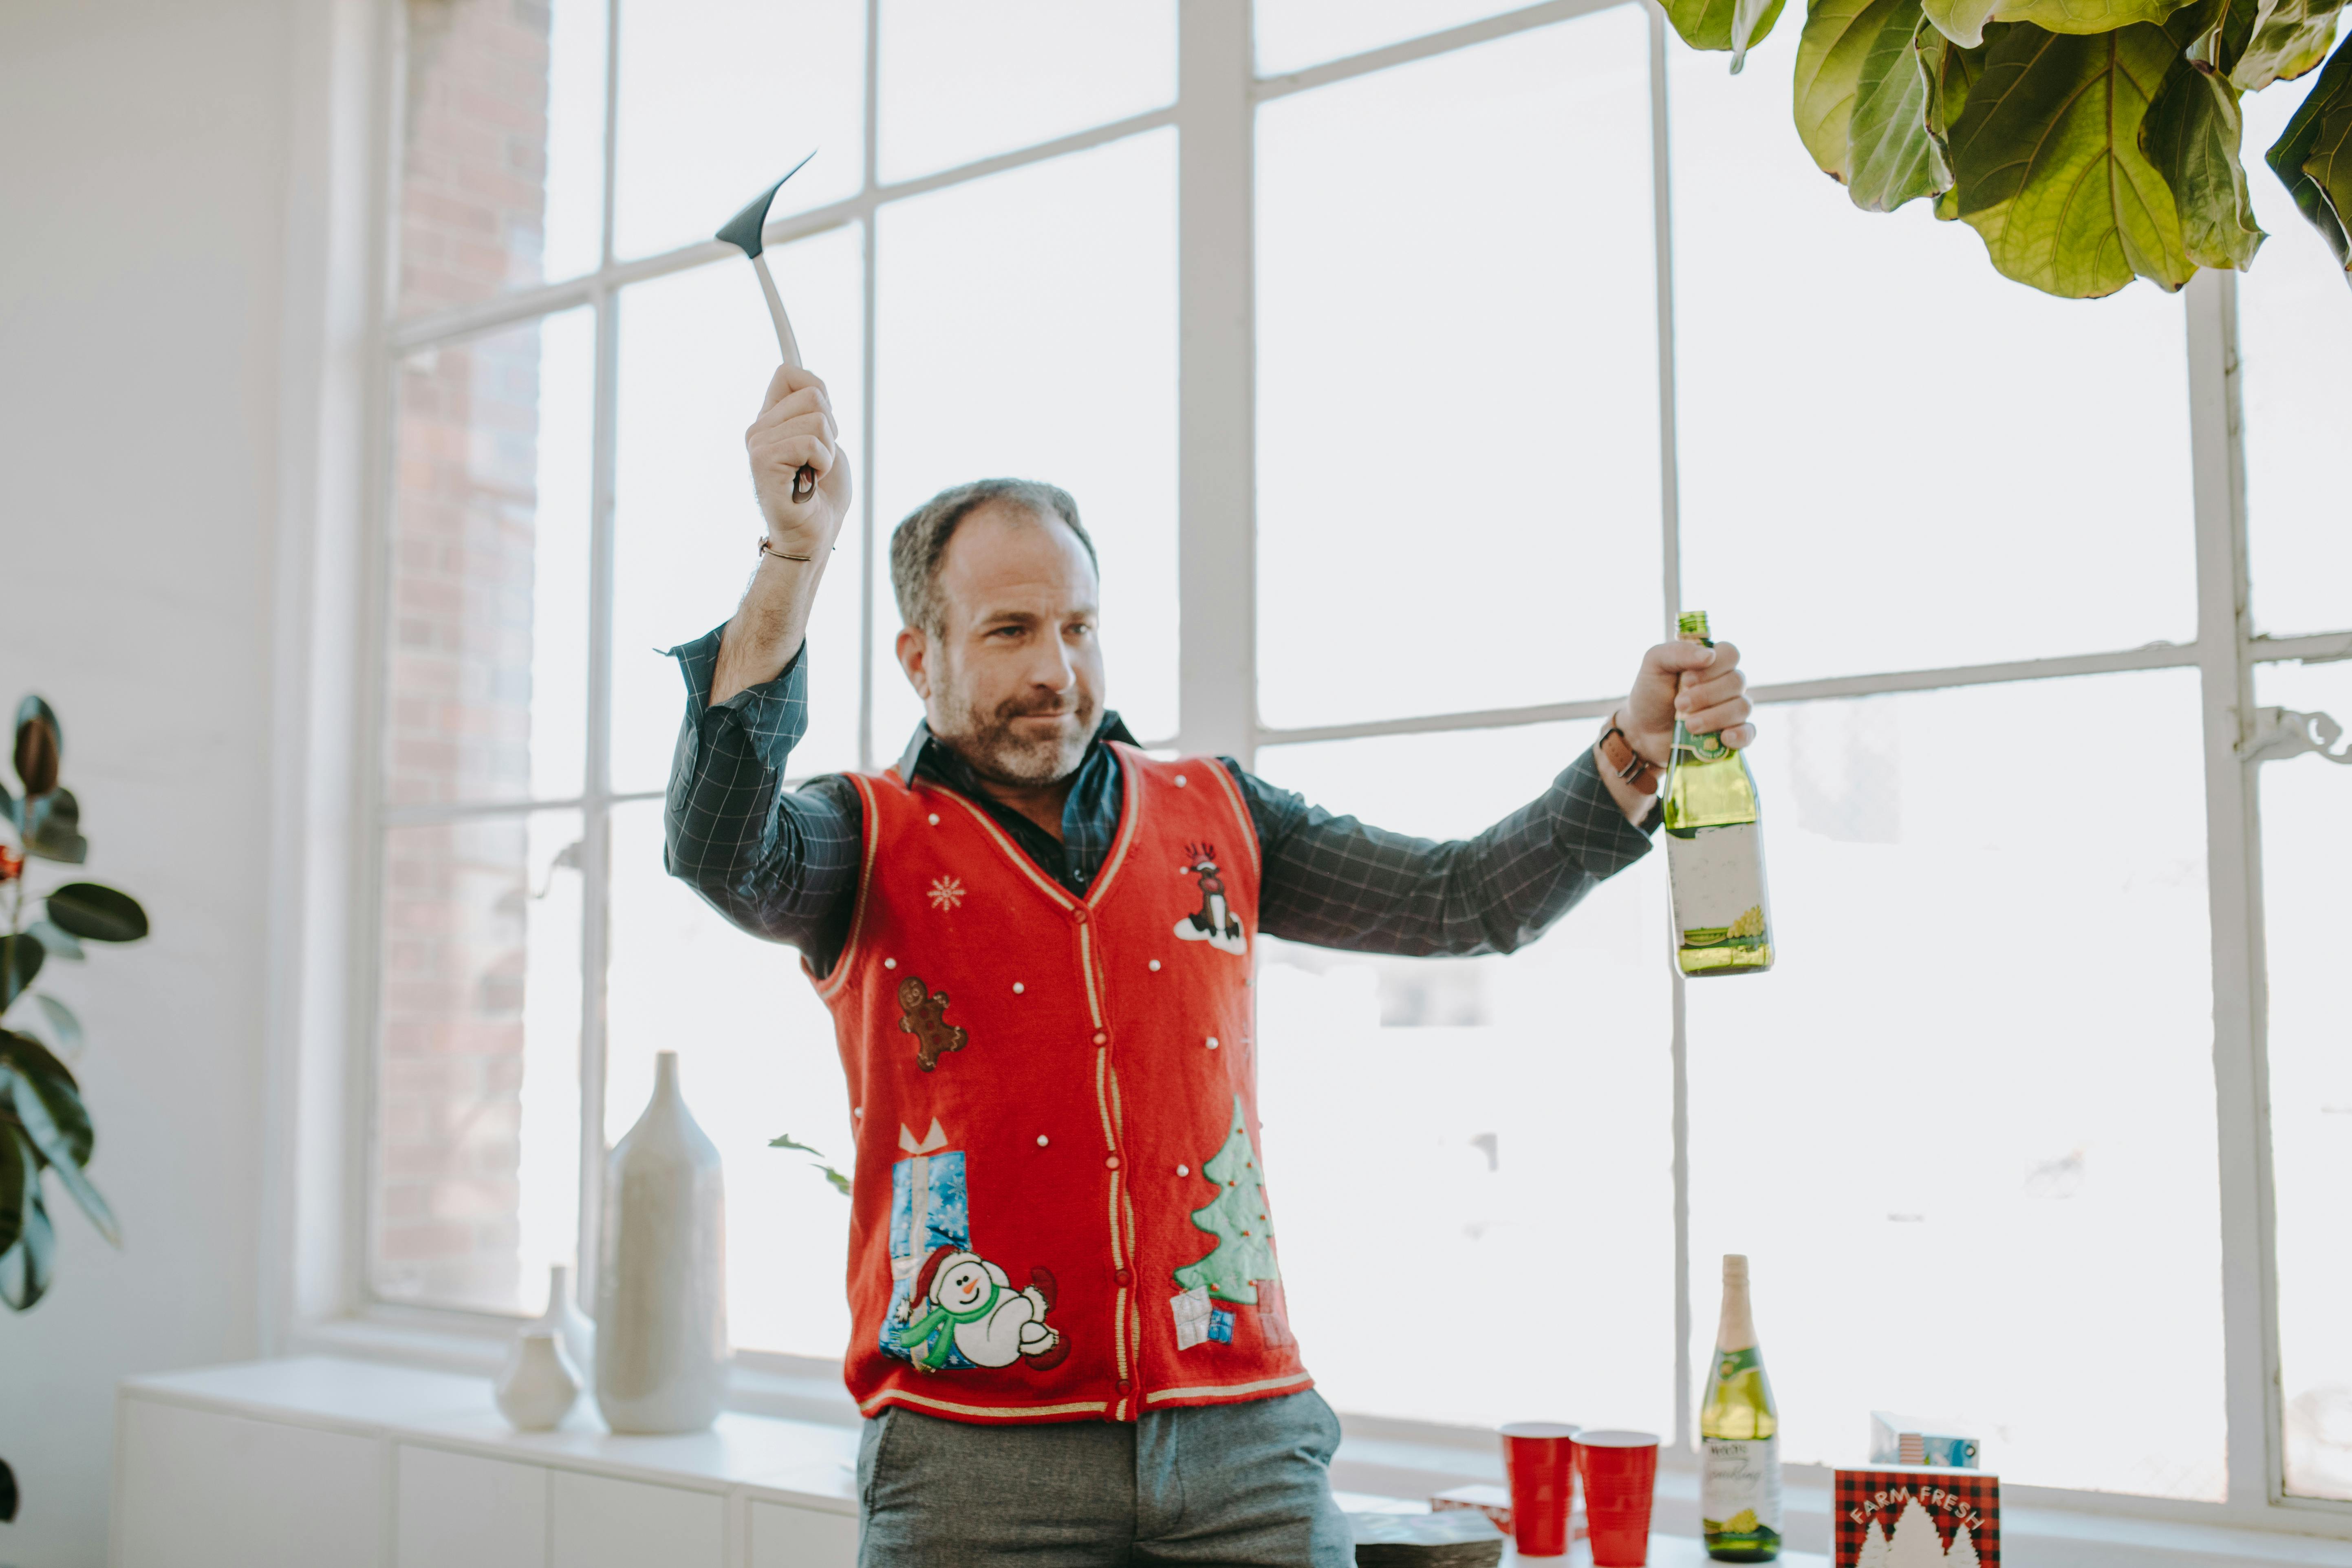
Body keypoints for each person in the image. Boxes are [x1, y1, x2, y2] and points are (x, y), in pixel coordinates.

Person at [664, 365, 1756, 1566]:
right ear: (919, 658)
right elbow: (718, 847)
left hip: (1247, 1444)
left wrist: (1635, 747)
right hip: (973, 1457)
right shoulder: (861, 838)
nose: (1057, 671)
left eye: (1078, 628)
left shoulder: (1220, 814)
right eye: (1011, 631)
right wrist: (792, 557)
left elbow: (1465, 901)